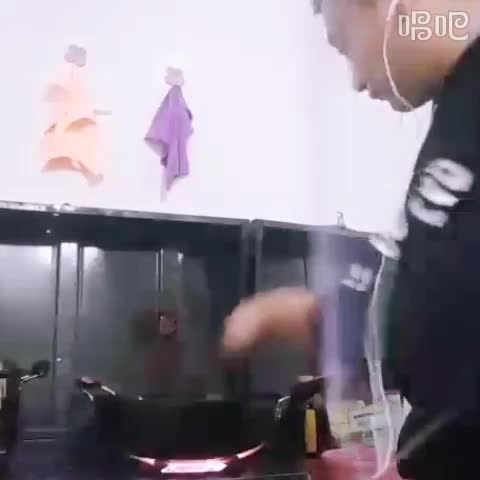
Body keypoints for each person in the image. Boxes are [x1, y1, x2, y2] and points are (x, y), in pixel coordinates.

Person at [222, 1, 480, 479]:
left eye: (344, 46)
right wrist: (308, 315)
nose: (357, 80)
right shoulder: (459, 105)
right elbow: (431, 295)